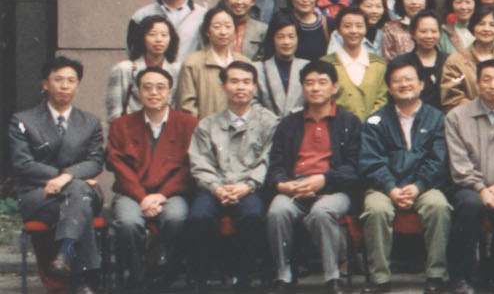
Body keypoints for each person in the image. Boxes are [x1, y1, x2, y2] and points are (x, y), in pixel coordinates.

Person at [264, 60, 360, 294]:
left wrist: (324, 179)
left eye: (322, 82)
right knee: (277, 211)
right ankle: (283, 275)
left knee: (321, 212)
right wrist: (283, 185)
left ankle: (333, 277)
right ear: (303, 88)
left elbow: (354, 167)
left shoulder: (349, 122)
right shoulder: (288, 124)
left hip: (333, 188)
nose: (315, 88)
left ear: (334, 87)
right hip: (294, 187)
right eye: (309, 83)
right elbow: (276, 164)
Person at [355, 60, 451, 293]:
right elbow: (371, 161)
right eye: (397, 80)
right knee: (376, 209)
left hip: (424, 186)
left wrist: (418, 186)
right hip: (384, 188)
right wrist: (391, 187)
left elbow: (438, 159)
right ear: (389, 88)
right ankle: (379, 278)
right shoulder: (375, 120)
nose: (404, 84)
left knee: (438, 206)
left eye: (409, 79)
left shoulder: (436, 118)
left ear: (421, 84)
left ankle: (436, 275)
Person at [11, 57, 105, 294]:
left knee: (78, 194)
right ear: (45, 84)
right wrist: (67, 177)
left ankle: (65, 256)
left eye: (71, 81)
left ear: (77, 86)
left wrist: (67, 177)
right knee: (81, 200)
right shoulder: (23, 120)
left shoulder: (90, 122)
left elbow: (95, 161)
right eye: (58, 80)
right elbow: (22, 163)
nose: (65, 86)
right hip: (40, 194)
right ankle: (82, 279)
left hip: (77, 192)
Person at [186, 62, 277, 291]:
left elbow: (268, 159)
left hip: (250, 188)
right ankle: (201, 280)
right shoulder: (207, 124)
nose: (240, 87)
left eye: (246, 82)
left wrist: (248, 186)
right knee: (198, 217)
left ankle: (243, 279)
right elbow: (200, 162)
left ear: (255, 87)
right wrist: (216, 187)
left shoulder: (269, 122)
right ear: (223, 86)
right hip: (214, 188)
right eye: (234, 81)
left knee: (253, 215)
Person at [107, 66, 198, 289]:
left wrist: (162, 195)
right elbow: (119, 165)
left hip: (171, 192)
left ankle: (169, 274)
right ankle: (138, 276)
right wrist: (142, 197)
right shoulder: (121, 125)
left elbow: (189, 167)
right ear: (138, 92)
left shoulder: (188, 123)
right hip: (132, 193)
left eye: (160, 87)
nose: (154, 93)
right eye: (147, 87)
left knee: (177, 218)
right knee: (128, 223)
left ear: (170, 92)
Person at [442, 58, 494, 294]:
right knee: (470, 206)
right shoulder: (456, 117)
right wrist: (480, 188)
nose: (493, 85)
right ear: (477, 83)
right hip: (467, 186)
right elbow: (458, 162)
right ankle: (461, 276)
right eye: (486, 80)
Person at [178, 10, 255, 119]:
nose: (223, 32)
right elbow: (187, 106)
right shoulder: (192, 63)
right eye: (217, 27)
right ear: (207, 31)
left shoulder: (245, 62)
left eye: (228, 26)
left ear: (234, 30)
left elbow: (253, 100)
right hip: (204, 128)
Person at [109, 15, 184, 121]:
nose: (159, 39)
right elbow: (114, 111)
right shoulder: (125, 69)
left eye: (164, 35)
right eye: (152, 34)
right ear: (142, 37)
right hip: (133, 128)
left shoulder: (177, 70)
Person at [441, 6, 494, 111]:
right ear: (473, 27)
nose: (486, 29)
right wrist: (483, 111)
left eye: (492, 25)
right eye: (481, 24)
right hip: (468, 117)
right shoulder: (456, 61)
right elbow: (452, 98)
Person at [321, 7, 389, 117]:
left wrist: (369, 123)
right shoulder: (326, 64)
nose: (353, 31)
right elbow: (324, 100)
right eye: (347, 26)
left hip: (373, 126)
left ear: (366, 29)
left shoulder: (378, 64)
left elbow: (382, 100)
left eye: (359, 26)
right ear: (338, 30)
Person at [390, 11, 448, 108]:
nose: (429, 36)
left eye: (434, 31)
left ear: (440, 33)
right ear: (413, 33)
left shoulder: (450, 61)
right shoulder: (400, 63)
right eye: (423, 31)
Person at [257, 19, 310, 115]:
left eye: (291, 37)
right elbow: (253, 103)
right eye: (280, 37)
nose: (286, 42)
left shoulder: (308, 67)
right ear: (272, 39)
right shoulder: (259, 69)